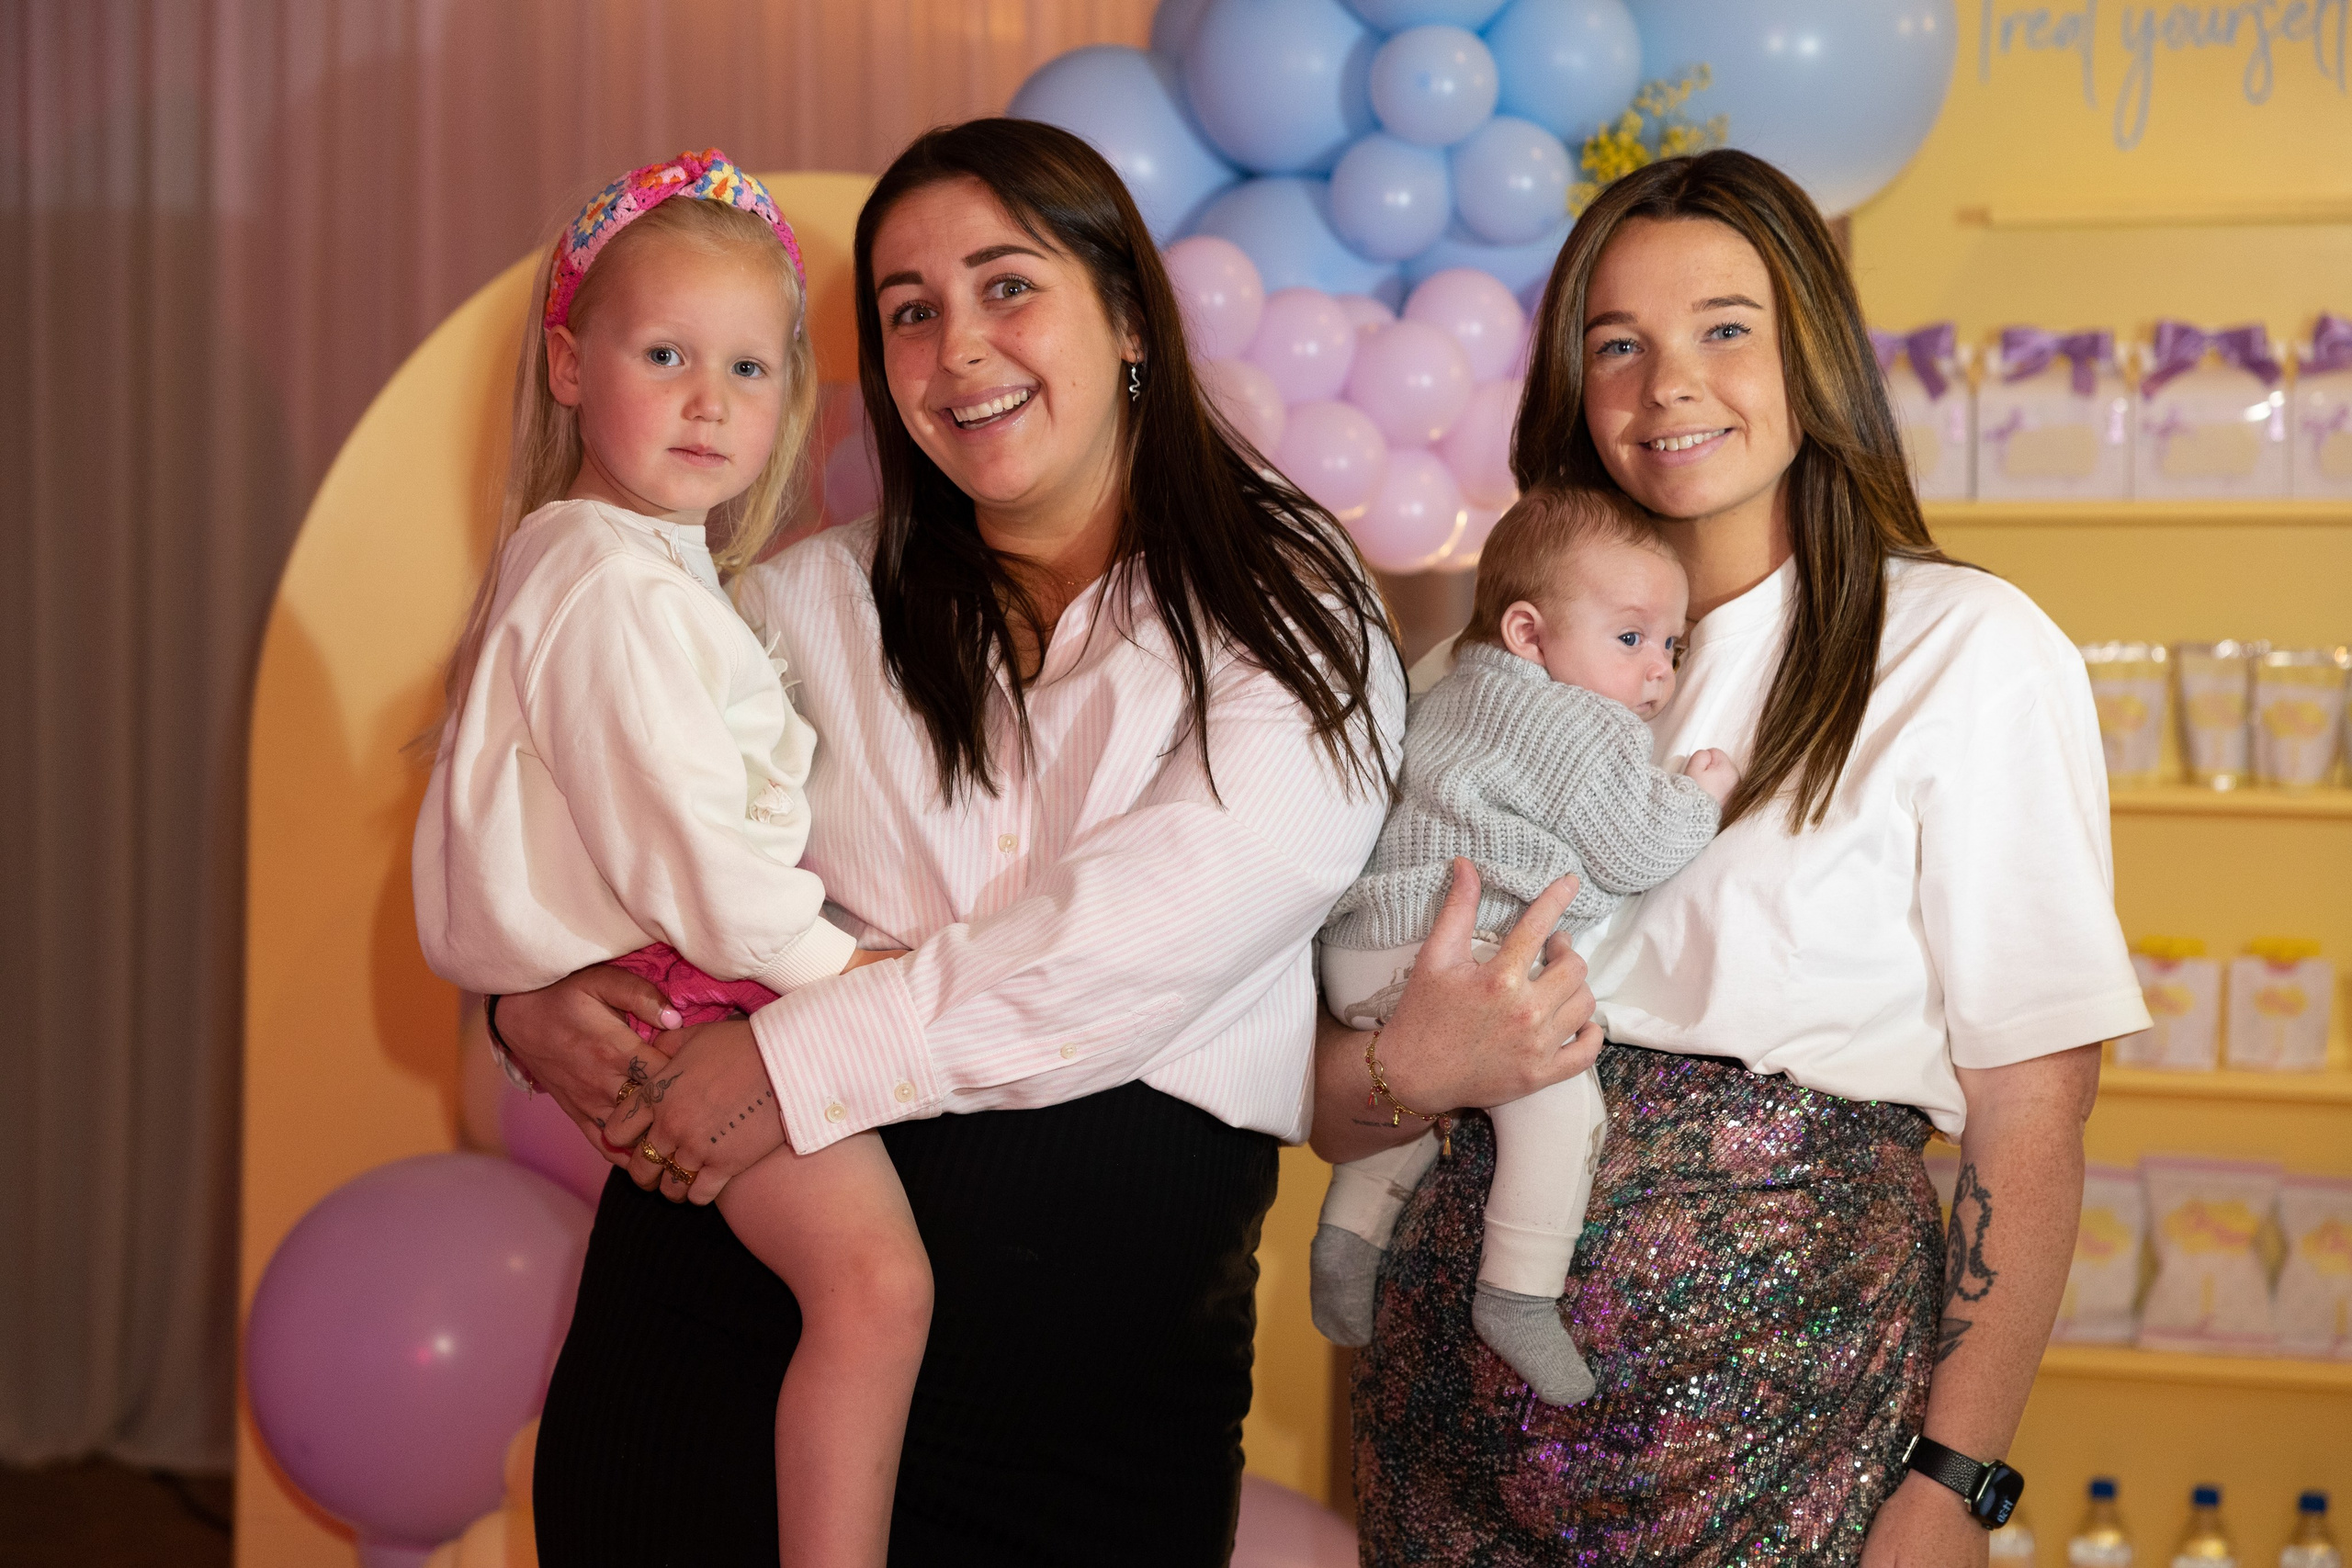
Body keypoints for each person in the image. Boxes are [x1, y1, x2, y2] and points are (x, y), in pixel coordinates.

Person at [484, 118, 1411, 1567]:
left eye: (1006, 285)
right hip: (729, 1327)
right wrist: (522, 997)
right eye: (909, 311)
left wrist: (801, 1056)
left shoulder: (1289, 604)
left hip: (1090, 1387)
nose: (957, 347)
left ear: (1126, 318)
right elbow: (573, 802)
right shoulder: (792, 604)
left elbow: (1157, 922)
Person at [1313, 148, 2151, 1566]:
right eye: (1617, 343)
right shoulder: (1473, 662)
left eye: (1723, 329)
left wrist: (1954, 1480)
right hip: (1444, 1429)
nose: (1667, 385)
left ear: (1812, 352)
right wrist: (1415, 1070)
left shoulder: (1963, 651)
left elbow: (2033, 1107)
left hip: (1784, 1435)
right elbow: (1337, 1102)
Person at [411, 149, 930, 1568]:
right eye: (667, 354)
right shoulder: (608, 580)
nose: (713, 398)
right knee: (877, 1287)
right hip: (698, 981)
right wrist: (851, 969)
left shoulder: (635, 564)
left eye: (753, 369)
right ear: (570, 368)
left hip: (688, 971)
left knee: (850, 1292)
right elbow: (697, 850)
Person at [1309, 485, 1736, 1407]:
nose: (1657, 673)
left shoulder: (1450, 686)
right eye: (1630, 639)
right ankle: (1516, 1295)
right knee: (1556, 1112)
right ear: (1528, 634)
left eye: (1671, 645)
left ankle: (1346, 1241)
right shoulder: (1576, 722)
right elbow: (1636, 847)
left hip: (1363, 956)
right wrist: (1703, 793)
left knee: (1419, 1100)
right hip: (1460, 954)